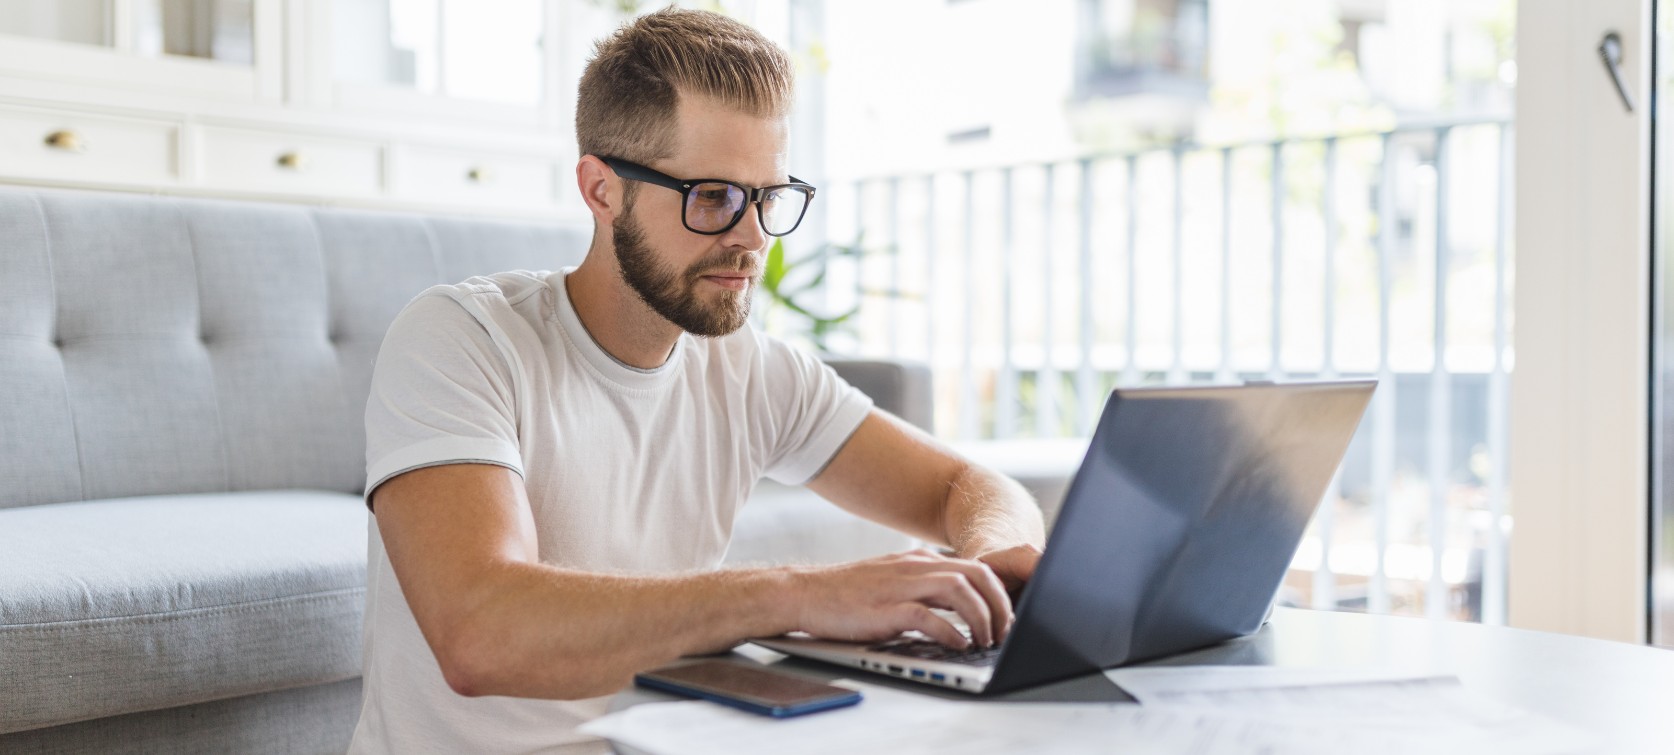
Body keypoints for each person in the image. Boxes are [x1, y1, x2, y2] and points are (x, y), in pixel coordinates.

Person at [347, 8, 1045, 754]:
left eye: (768, 197)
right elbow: (480, 632)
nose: (751, 238)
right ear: (601, 189)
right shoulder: (464, 338)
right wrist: (804, 594)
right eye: (712, 196)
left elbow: (967, 488)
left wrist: (989, 563)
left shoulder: (750, 369)